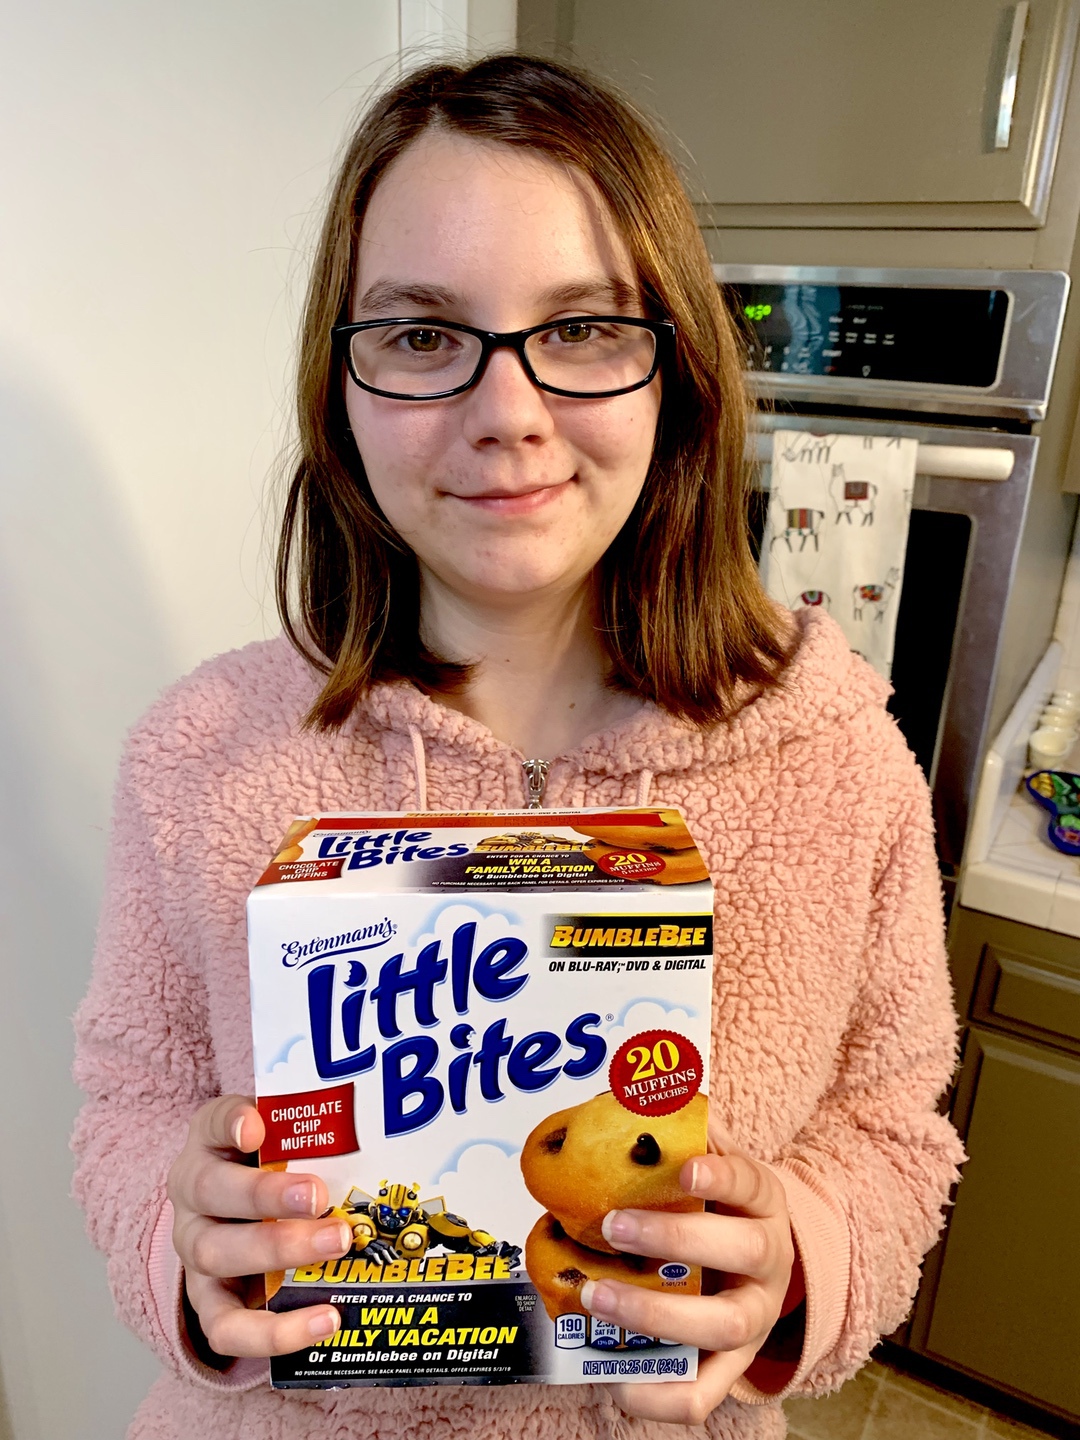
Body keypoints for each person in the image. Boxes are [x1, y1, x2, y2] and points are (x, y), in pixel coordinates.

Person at [72, 53, 964, 1440]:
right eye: (423, 335)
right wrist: (178, 1235)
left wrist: (801, 1247)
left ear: (672, 362)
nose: (509, 410)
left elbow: (902, 1128)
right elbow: (129, 1102)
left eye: (585, 326)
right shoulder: (198, 759)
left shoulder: (840, 760)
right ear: (341, 386)